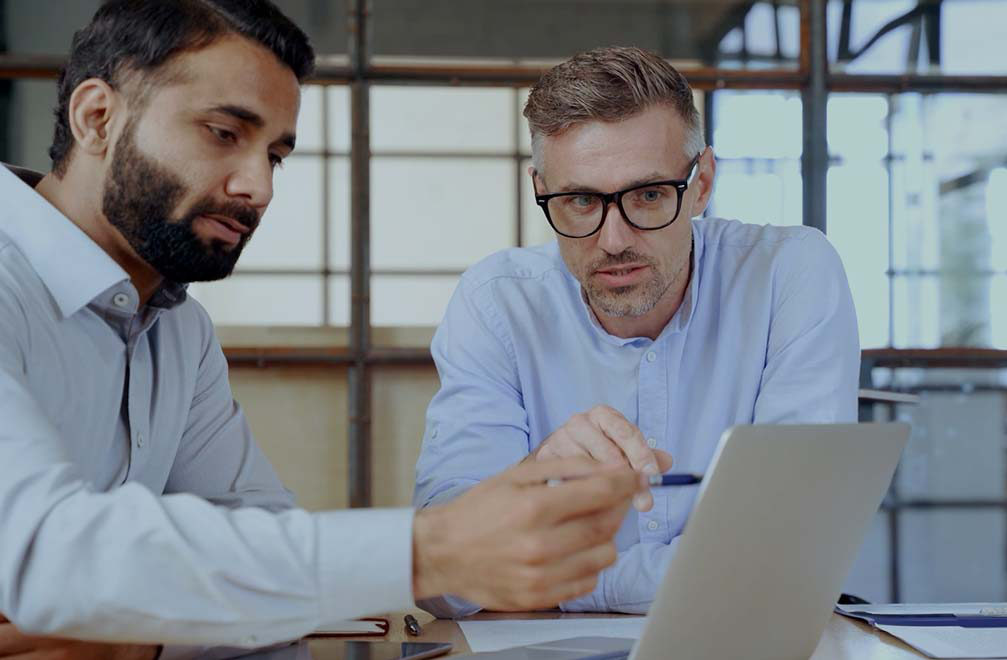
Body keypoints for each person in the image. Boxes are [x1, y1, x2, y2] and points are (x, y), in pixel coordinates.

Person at [0, 3, 648, 658]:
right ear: (97, 118)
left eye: (276, 156)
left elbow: (265, 559)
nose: (258, 187)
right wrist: (432, 549)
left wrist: (130, 636)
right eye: (224, 133)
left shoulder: (179, 330)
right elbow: (47, 550)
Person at [414, 46, 861, 616]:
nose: (614, 240)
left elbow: (790, 554)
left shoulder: (789, 275)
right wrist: (535, 480)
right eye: (580, 200)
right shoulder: (496, 304)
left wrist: (559, 580)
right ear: (540, 189)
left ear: (701, 185)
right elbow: (438, 580)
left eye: (649, 195)